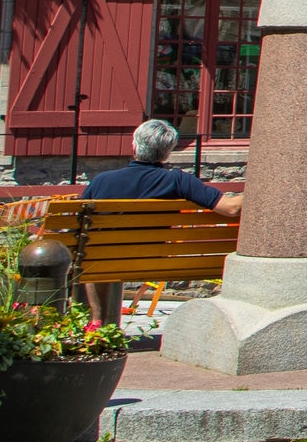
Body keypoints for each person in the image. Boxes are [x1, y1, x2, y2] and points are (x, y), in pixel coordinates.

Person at [80, 119, 243, 325]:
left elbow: (80, 227)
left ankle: (97, 323)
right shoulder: (178, 180)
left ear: (134, 146)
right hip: (154, 261)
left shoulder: (102, 181)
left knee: (93, 257)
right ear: (167, 153)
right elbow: (231, 208)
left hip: (107, 262)